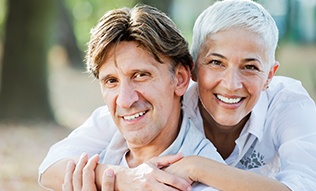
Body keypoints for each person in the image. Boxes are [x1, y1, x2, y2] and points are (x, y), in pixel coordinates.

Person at [39, 0, 316, 190]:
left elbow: (303, 185)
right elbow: (51, 165)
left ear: (270, 74)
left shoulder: (288, 106)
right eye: (216, 62)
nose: (231, 84)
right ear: (193, 69)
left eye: (250, 67)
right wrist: (125, 179)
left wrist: (199, 168)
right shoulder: (162, 101)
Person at [39, 4, 226, 191]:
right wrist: (122, 178)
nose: (125, 101)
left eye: (140, 75)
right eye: (111, 81)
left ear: (180, 79)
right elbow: (48, 168)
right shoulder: (107, 137)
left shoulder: (207, 182)